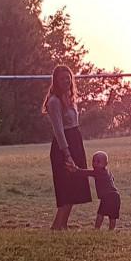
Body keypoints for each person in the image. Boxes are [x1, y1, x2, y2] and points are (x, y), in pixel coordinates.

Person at [44, 64, 91, 229]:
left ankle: (63, 225)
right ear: (55, 81)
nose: (66, 81)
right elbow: (58, 130)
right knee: (67, 187)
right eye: (62, 78)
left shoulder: (69, 98)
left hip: (75, 142)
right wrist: (67, 154)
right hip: (63, 146)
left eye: (68, 77)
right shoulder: (54, 101)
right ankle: (57, 226)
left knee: (76, 186)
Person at [79, 150, 120, 230]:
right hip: (115, 196)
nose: (95, 163)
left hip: (108, 196)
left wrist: (75, 170)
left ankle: (96, 229)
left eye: (98, 161)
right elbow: (112, 179)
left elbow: (86, 173)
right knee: (112, 216)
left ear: (105, 163)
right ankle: (111, 230)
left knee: (100, 214)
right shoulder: (107, 171)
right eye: (93, 161)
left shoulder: (98, 172)